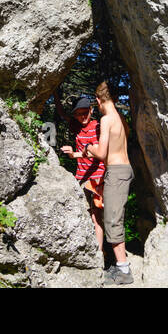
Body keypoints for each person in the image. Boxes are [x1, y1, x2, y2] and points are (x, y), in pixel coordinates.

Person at [83, 81, 133, 285]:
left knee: (112, 219)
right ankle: (120, 265)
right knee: (113, 216)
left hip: (116, 171)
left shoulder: (106, 120)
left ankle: (123, 270)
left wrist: (89, 147)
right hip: (125, 169)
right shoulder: (119, 118)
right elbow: (123, 138)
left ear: (98, 100)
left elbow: (102, 153)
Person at [60, 96, 105, 256]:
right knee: (84, 215)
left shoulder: (97, 127)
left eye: (85, 112)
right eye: (78, 113)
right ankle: (88, 252)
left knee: (96, 216)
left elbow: (99, 154)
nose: (82, 116)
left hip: (97, 178)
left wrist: (74, 155)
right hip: (81, 178)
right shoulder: (77, 127)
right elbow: (62, 114)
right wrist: (56, 95)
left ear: (91, 110)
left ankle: (99, 255)